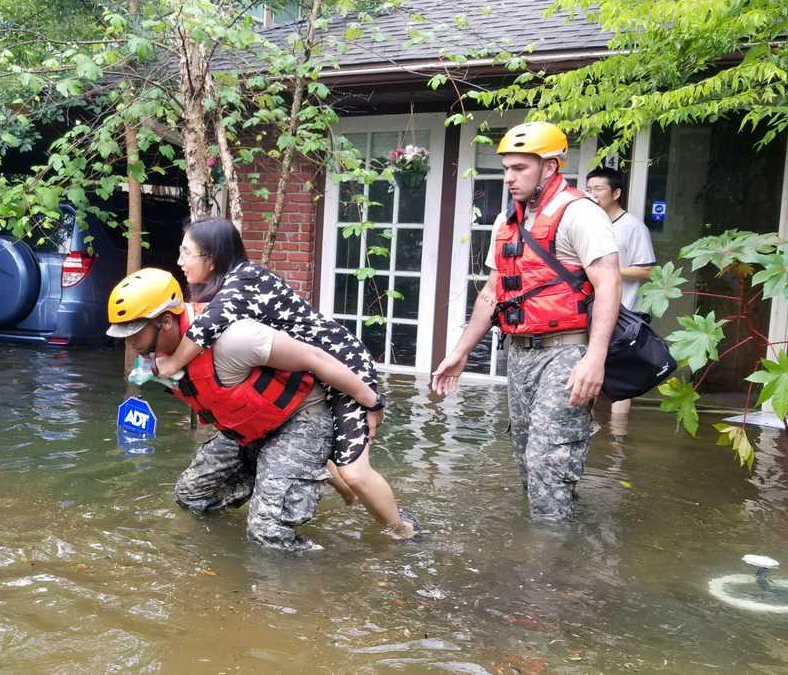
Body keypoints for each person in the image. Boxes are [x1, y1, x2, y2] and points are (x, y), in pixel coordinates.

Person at [151, 218, 416, 539]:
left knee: (355, 471)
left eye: (186, 252)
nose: (179, 261)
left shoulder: (243, 281)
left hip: (342, 363)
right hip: (316, 369)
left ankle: (403, 532)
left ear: (213, 257)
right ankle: (342, 489)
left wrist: (373, 401)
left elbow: (203, 331)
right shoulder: (228, 285)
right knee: (319, 448)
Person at [106, 268, 402, 550]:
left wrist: (372, 402)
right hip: (249, 431)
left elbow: (316, 358)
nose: (131, 344)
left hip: (300, 419)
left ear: (166, 321)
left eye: (135, 334)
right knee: (191, 497)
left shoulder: (234, 339)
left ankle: (331, 567)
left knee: (267, 532)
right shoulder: (158, 360)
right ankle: (304, 474)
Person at [431, 121, 622, 521]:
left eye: (520, 168)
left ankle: (553, 564)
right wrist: (460, 353)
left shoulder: (579, 215)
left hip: (567, 352)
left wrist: (595, 359)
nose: (509, 177)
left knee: (550, 460)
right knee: (525, 458)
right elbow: (492, 292)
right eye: (506, 168)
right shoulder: (507, 223)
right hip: (519, 354)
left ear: (550, 167)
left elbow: (609, 285)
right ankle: (544, 552)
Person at [584, 166, 657, 435]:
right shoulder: (588, 225)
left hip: (626, 311)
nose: (591, 194)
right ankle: (585, 429)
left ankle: (618, 440)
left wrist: (609, 270)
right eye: (588, 189)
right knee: (587, 367)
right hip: (590, 310)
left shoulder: (633, 227)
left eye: (598, 189)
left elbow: (647, 270)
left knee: (622, 376)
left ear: (616, 193)